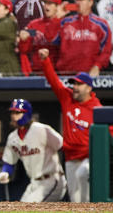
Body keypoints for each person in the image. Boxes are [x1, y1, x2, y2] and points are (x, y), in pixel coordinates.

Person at [39, 48, 103, 202]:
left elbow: (109, 132)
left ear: (88, 88)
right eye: (74, 84)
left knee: (83, 175)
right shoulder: (67, 98)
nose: (74, 87)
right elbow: (54, 81)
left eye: (79, 85)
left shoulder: (97, 108)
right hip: (70, 157)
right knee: (75, 199)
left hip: (89, 157)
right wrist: (45, 61)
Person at [0, 99, 67, 202]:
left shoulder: (41, 129)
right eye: (12, 112)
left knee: (29, 208)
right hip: (34, 182)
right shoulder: (12, 138)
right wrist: (5, 172)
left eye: (17, 112)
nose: (13, 116)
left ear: (26, 114)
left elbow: (63, 146)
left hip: (52, 179)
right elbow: (9, 162)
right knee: (19, 209)